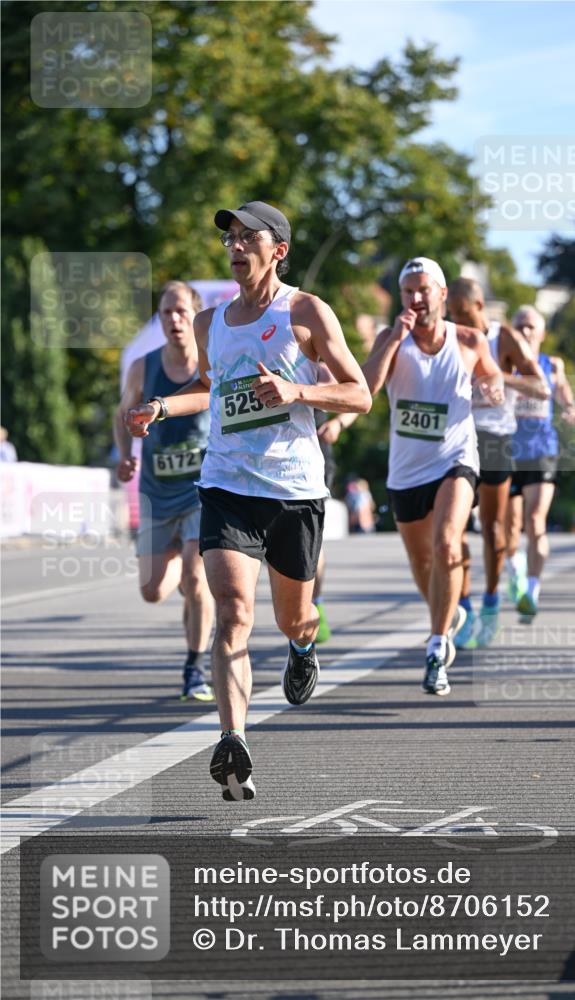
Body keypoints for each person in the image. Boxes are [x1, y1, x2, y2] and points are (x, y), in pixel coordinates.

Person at [126, 201, 371, 801]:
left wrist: (297, 389)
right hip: (227, 485)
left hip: (294, 491)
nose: (235, 247)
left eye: (248, 238)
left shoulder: (306, 312)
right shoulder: (213, 323)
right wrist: (160, 408)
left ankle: (302, 645)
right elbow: (211, 390)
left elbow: (360, 394)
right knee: (233, 611)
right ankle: (232, 738)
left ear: (278, 250)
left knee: (294, 616)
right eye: (229, 239)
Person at [362, 256, 504, 696]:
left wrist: (492, 388)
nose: (416, 298)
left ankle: (437, 646)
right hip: (406, 470)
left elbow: (493, 379)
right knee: (422, 562)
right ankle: (446, 614)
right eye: (408, 291)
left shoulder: (469, 339)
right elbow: (364, 390)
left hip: (455, 459)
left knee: (446, 543)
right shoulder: (391, 338)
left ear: (442, 294)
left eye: (424, 289)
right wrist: (393, 339)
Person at [114, 281, 215, 700]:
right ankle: (183, 566)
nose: (173, 320)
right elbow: (122, 414)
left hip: (201, 489)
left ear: (196, 315)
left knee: (196, 578)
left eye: (180, 311)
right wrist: (126, 454)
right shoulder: (143, 365)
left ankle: (196, 666)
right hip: (157, 489)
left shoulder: (210, 364)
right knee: (153, 591)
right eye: (165, 313)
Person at [446, 279, 550, 648]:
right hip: (458, 439)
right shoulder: (448, 336)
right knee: (452, 531)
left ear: (480, 305)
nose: (457, 320)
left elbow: (542, 388)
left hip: (494, 439)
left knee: (492, 529)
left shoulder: (503, 337)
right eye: (452, 314)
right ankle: (464, 607)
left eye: (463, 312)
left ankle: (491, 603)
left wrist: (497, 374)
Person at [505, 305, 575, 619]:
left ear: (541, 333)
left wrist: (570, 407)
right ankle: (515, 570)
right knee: (508, 528)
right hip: (506, 453)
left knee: (535, 521)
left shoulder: (552, 364)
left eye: (530, 326)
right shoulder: (503, 364)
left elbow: (563, 390)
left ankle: (532, 591)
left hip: (541, 450)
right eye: (519, 325)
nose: (524, 331)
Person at [313, 408, 360, 642]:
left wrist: (338, 423)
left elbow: (359, 392)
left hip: (310, 461)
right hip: (251, 463)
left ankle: (315, 604)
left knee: (310, 540)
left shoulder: (313, 369)